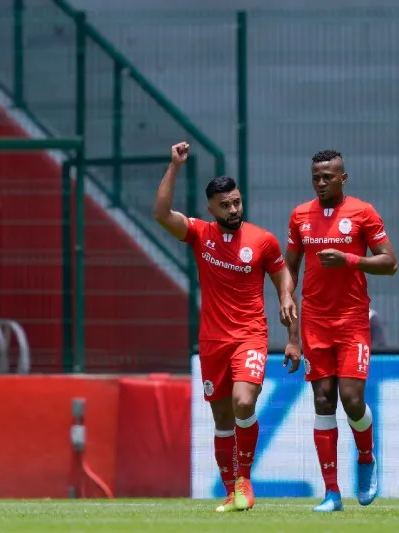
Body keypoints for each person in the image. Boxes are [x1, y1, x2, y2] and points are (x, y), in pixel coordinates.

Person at [153, 142, 296, 513]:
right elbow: (161, 213)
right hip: (213, 340)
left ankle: (245, 479)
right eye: (226, 205)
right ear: (211, 209)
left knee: (244, 402)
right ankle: (231, 491)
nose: (234, 209)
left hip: (250, 335)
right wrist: (174, 165)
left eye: (237, 202)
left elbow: (283, 275)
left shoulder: (262, 240)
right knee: (221, 419)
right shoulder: (200, 234)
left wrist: (285, 297)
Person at [284, 149, 398, 512]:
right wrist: (287, 298)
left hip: (351, 320)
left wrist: (350, 259)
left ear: (342, 178)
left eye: (327, 177)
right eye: (315, 177)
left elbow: (390, 263)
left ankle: (366, 457)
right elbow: (290, 267)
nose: (320, 183)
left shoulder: (362, 212)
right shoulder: (300, 215)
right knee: (322, 399)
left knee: (351, 399)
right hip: (315, 321)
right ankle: (332, 493)